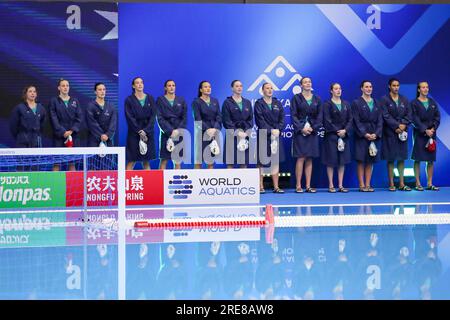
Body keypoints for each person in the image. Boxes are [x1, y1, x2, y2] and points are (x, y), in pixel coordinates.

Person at [290, 77, 323, 193]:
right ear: (301, 85)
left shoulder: (317, 99)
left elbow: (320, 116)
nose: (308, 84)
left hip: (312, 132)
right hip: (300, 132)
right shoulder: (296, 98)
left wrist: (313, 128)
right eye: (305, 82)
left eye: (309, 82)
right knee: (301, 158)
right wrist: (301, 128)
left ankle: (308, 185)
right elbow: (293, 115)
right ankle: (298, 185)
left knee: (309, 158)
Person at [381, 78, 412, 191]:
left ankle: (402, 184)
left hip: (402, 133)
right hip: (390, 133)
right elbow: (385, 115)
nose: (396, 87)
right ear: (389, 86)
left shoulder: (404, 99)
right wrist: (396, 126)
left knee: (401, 158)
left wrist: (403, 125)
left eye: (398, 85)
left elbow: (409, 114)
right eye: (394, 85)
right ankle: (391, 184)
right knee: (391, 159)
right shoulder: (384, 100)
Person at [352, 80, 383, 192]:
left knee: (370, 160)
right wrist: (365, 133)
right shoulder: (356, 103)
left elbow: (380, 120)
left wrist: (376, 133)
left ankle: (368, 184)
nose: (369, 89)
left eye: (370, 87)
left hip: (374, 134)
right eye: (366, 87)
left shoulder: (377, 102)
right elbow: (356, 120)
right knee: (361, 160)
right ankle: (361, 185)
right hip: (362, 135)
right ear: (362, 88)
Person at [321, 83, 353, 193]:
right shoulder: (327, 104)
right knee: (331, 161)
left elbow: (350, 119)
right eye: (336, 89)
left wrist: (345, 130)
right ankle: (331, 185)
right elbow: (327, 120)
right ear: (331, 91)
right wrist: (337, 131)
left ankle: (340, 185)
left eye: (339, 88)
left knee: (342, 161)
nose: (338, 90)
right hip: (331, 136)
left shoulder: (346, 104)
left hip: (344, 136)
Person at [254, 83, 285, 193]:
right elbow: (260, 120)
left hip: (276, 135)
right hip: (264, 135)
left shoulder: (277, 103)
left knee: (275, 161)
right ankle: (260, 186)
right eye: (267, 88)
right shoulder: (259, 103)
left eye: (271, 88)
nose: (270, 90)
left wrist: (278, 130)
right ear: (262, 90)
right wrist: (270, 130)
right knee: (261, 161)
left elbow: (282, 119)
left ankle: (276, 187)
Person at [411, 81, 440, 191]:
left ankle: (429, 183)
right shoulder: (414, 103)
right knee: (417, 159)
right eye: (423, 87)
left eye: (427, 87)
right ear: (419, 90)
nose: (425, 89)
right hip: (420, 134)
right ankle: (418, 183)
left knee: (430, 160)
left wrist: (432, 129)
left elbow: (437, 117)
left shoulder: (432, 102)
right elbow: (414, 119)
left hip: (431, 135)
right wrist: (424, 130)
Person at [49, 79, 83, 171]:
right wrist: (62, 131)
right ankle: (54, 184)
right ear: (59, 88)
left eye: (67, 85)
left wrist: (71, 131)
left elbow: (79, 117)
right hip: (59, 136)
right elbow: (53, 118)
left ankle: (74, 184)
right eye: (63, 86)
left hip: (73, 136)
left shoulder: (75, 101)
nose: (65, 87)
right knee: (57, 163)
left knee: (72, 163)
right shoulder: (54, 101)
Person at [125, 77, 157, 170]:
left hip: (148, 132)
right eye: (137, 83)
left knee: (146, 161)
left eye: (141, 82)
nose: (140, 84)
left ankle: (149, 183)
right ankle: (126, 183)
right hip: (134, 133)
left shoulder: (150, 98)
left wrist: (146, 131)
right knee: (131, 160)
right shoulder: (129, 100)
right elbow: (129, 117)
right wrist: (139, 131)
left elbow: (153, 116)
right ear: (133, 86)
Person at [156, 80, 188, 170]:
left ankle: (177, 182)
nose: (171, 87)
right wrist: (170, 131)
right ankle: (160, 183)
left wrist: (178, 130)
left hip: (178, 132)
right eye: (169, 85)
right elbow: (159, 117)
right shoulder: (160, 100)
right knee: (164, 160)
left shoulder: (181, 100)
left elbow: (184, 117)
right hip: (166, 133)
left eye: (173, 85)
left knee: (177, 160)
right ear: (165, 88)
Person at [222, 80, 254, 168]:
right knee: (230, 162)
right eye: (237, 86)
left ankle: (243, 182)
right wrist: (237, 132)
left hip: (244, 134)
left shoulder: (247, 102)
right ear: (232, 88)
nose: (239, 88)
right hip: (232, 135)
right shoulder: (227, 102)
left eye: (241, 86)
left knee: (244, 162)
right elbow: (226, 120)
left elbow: (251, 119)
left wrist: (245, 132)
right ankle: (231, 181)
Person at [192, 81, 222, 169]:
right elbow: (197, 119)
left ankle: (209, 181)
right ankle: (196, 181)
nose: (208, 88)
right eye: (205, 87)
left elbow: (219, 117)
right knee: (199, 160)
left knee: (211, 160)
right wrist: (208, 129)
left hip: (214, 133)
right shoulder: (196, 102)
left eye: (209, 87)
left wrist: (215, 129)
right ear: (201, 89)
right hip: (202, 133)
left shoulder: (215, 101)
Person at [86, 83, 117, 147]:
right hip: (94, 139)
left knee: (109, 157)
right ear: (95, 92)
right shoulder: (90, 106)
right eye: (100, 90)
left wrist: (107, 135)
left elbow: (113, 123)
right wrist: (101, 135)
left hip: (108, 139)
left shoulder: (111, 107)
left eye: (104, 89)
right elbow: (91, 123)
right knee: (93, 157)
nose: (102, 91)